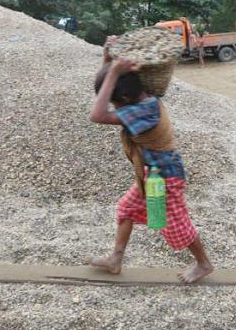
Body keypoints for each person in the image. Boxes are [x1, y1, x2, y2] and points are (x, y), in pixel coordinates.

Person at [85, 38, 214, 284]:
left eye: (116, 102)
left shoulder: (145, 109)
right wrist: (108, 61)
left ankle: (204, 263)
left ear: (124, 96)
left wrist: (112, 71)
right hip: (152, 174)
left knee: (175, 223)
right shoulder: (143, 97)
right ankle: (115, 259)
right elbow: (107, 91)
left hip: (167, 177)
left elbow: (97, 115)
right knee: (126, 209)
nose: (115, 106)